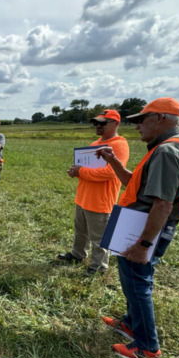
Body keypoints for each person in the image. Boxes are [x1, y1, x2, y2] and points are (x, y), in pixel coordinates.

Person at [96, 98, 179, 358]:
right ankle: (130, 324)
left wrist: (143, 244)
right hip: (143, 224)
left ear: (161, 118)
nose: (136, 127)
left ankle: (147, 347)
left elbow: (163, 204)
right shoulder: (178, 145)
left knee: (137, 282)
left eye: (141, 120)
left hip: (145, 228)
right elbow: (136, 185)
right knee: (133, 279)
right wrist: (112, 161)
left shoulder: (168, 152)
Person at [57, 109, 130, 275]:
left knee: (99, 238)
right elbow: (86, 168)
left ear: (116, 123)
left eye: (103, 123)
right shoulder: (94, 144)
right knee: (80, 230)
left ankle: (98, 268)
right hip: (83, 197)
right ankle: (78, 255)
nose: (98, 125)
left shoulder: (119, 145)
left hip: (101, 201)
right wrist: (75, 170)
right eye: (96, 122)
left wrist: (81, 171)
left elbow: (110, 172)